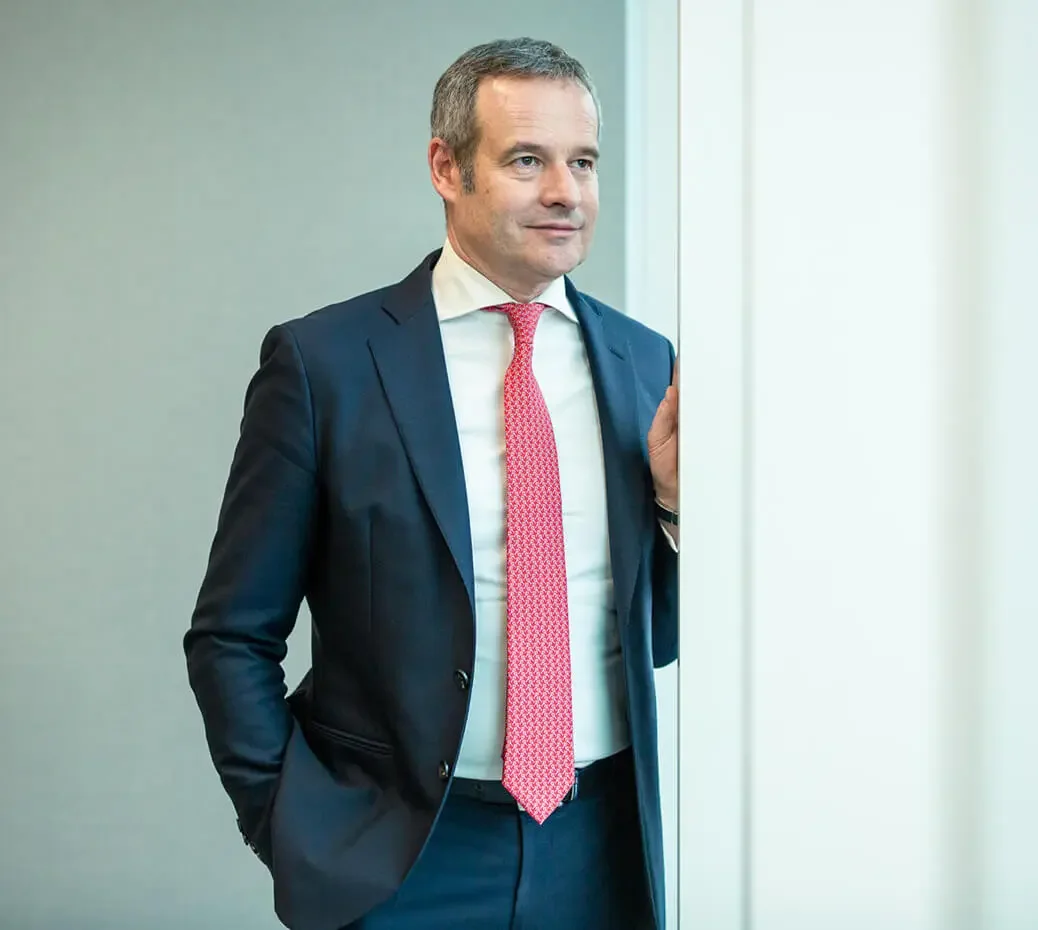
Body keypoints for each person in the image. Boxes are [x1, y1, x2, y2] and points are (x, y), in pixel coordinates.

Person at [183, 37, 678, 930]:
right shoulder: (324, 364)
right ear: (447, 168)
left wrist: (677, 513)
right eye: (527, 160)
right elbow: (229, 636)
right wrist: (290, 824)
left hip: (602, 851)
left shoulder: (644, 365)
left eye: (583, 162)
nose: (566, 192)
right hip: (401, 857)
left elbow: (661, 638)